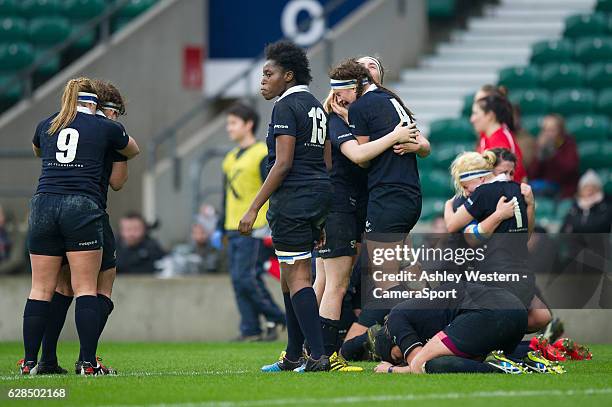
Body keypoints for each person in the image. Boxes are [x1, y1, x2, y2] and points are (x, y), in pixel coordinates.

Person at [22, 77, 139, 376]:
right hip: (84, 209)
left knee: (43, 288)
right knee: (90, 287)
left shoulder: (48, 123)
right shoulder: (107, 127)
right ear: (99, 105)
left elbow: (39, 151)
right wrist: (113, 134)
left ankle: (34, 362)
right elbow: (118, 180)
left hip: (43, 205)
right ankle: (88, 362)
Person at [313, 63, 421, 367]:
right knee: (337, 281)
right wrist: (398, 137)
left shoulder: (363, 109)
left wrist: (407, 141)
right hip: (372, 200)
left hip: (377, 199)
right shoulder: (380, 104)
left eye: (341, 89)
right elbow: (363, 156)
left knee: (382, 282)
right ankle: (320, 352)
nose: (338, 96)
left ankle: (322, 352)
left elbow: (365, 157)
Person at [238, 40, 334, 372]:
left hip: (294, 197)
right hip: (318, 193)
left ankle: (318, 355)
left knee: (297, 278)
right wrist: (320, 217)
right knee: (289, 277)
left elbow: (283, 163)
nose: (262, 80)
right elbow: (326, 160)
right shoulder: (316, 106)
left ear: (288, 76)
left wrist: (253, 208)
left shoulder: (285, 106)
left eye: (269, 73)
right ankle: (294, 355)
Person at [370, 283, 564, 375]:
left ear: (391, 338)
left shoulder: (394, 319)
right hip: (515, 311)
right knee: (455, 359)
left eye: (397, 356)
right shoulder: (422, 314)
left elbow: (416, 365)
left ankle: (504, 369)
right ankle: (529, 356)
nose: (402, 358)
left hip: (488, 313)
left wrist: (391, 369)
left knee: (426, 364)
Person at [217, 102, 285, 341]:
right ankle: (250, 328)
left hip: (255, 227)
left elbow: (272, 187)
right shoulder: (230, 157)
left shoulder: (262, 154)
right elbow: (226, 194)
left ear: (249, 125)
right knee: (237, 279)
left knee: (247, 277)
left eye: (233, 123)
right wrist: (220, 225)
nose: (229, 128)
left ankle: (279, 317)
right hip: (232, 226)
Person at [471, 93, 527, 182]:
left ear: (490, 115)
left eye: (475, 113)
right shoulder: (486, 136)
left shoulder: (500, 141)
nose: (472, 119)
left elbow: (503, 181)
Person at [528, 114, 580, 198]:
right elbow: (532, 174)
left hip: (563, 188)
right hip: (543, 186)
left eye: (552, 130)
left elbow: (569, 169)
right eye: (545, 130)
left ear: (560, 131)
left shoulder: (568, 143)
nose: (548, 134)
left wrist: (553, 153)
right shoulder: (541, 145)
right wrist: (539, 154)